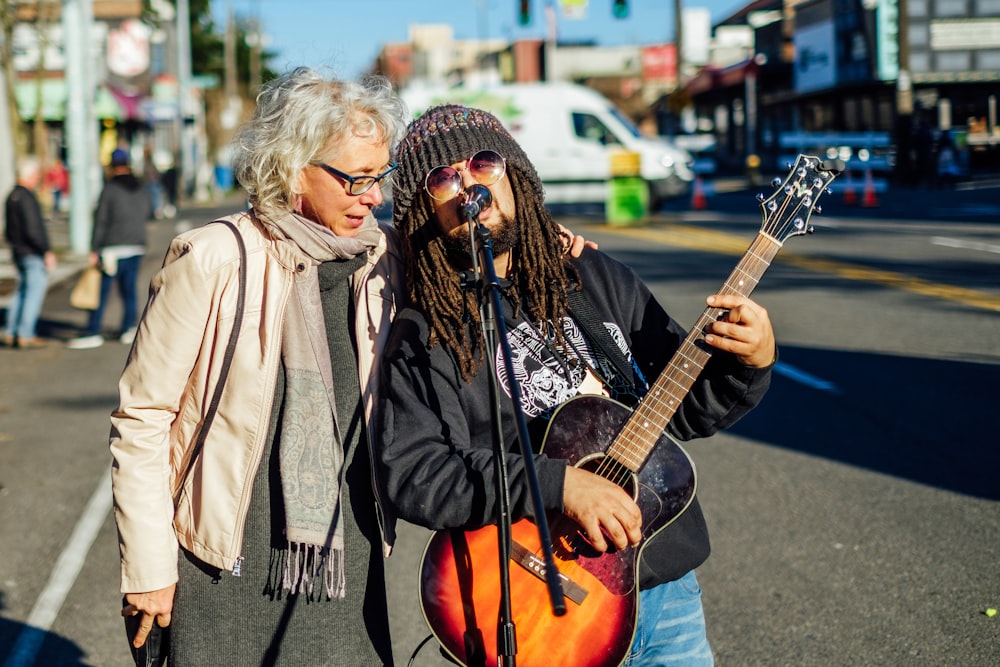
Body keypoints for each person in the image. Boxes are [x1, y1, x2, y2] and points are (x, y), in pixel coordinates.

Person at [378, 105, 777, 665]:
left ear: (516, 176)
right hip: (531, 606)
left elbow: (680, 412)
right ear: (426, 209)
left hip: (662, 592)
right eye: (443, 178)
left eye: (484, 163)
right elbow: (414, 471)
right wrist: (557, 485)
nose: (469, 183)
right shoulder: (429, 331)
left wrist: (748, 362)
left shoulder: (595, 276)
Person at [109, 67, 411, 667]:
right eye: (356, 179)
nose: (373, 196)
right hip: (222, 563)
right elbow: (142, 418)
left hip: (344, 556)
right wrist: (147, 567)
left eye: (381, 177)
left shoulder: (383, 258)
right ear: (292, 165)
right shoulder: (213, 258)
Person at [68, 148, 152, 350]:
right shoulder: (140, 188)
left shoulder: (110, 189)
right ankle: (128, 328)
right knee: (129, 289)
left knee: (101, 290)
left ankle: (93, 330)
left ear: (113, 166)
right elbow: (148, 212)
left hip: (113, 248)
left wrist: (95, 247)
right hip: (136, 245)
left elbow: (102, 220)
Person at [3, 155, 56, 349]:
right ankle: (25, 333)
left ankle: (11, 331)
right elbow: (34, 229)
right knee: (33, 293)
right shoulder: (26, 197)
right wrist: (46, 251)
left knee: (21, 292)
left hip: (18, 250)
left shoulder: (12, 196)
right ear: (30, 174)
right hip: (32, 252)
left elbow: (8, 230)